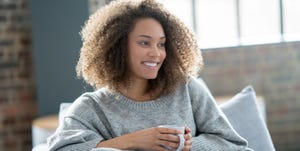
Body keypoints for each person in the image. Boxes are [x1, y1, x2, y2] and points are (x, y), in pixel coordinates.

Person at [47, 0, 253, 150]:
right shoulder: (91, 108)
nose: (156, 53)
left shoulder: (187, 89)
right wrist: (135, 141)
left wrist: (189, 147)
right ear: (117, 46)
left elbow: (235, 145)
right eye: (144, 42)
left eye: (161, 44)